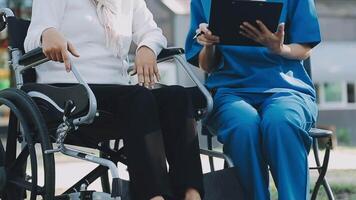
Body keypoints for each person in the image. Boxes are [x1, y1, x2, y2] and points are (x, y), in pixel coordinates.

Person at [24, 0, 204, 200]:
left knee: (176, 97)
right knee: (139, 97)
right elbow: (32, 38)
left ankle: (191, 194)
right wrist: (48, 33)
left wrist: (146, 48)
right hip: (67, 91)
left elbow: (152, 32)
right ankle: (153, 196)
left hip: (118, 95)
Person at [185, 0, 321, 199]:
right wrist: (209, 45)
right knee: (243, 126)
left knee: (281, 122)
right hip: (230, 90)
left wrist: (280, 49)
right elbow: (207, 65)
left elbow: (305, 48)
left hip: (286, 89)